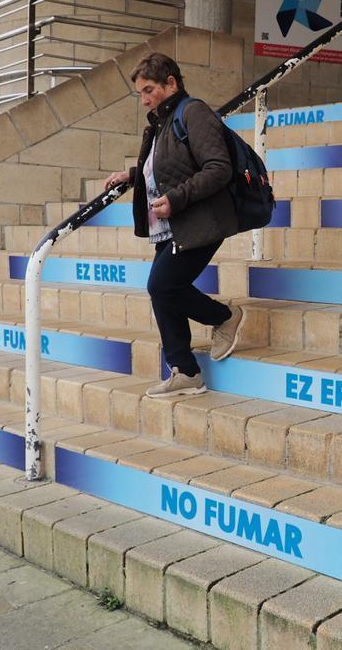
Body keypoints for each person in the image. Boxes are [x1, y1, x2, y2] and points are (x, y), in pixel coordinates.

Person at [104, 52, 245, 398]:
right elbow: (171, 165)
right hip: (174, 223)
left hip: (199, 219)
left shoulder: (193, 112)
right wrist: (133, 175)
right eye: (139, 93)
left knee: (162, 286)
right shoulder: (162, 122)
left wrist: (178, 199)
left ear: (172, 82)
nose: (144, 99)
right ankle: (185, 371)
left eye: (149, 89)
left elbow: (217, 167)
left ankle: (225, 316)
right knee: (163, 291)